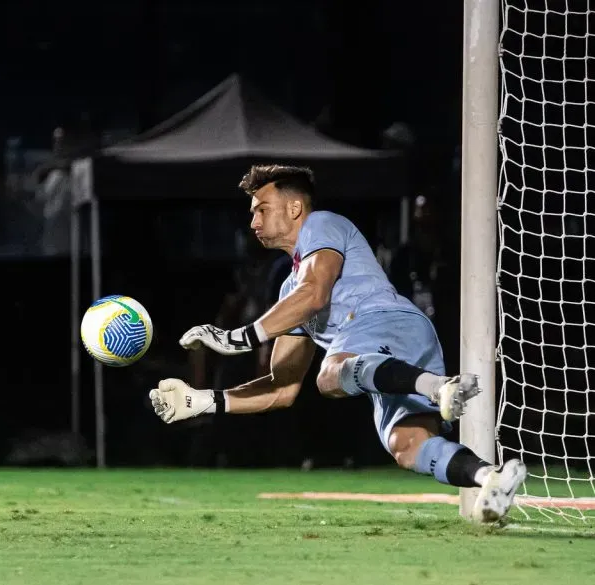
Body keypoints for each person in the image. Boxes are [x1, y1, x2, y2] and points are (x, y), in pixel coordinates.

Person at [149, 165, 527, 523]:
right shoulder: (288, 291)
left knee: (328, 376)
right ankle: (491, 478)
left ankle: (437, 386)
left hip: (384, 323)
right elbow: (281, 388)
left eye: (262, 209)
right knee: (407, 446)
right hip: (389, 360)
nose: (254, 222)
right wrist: (202, 401)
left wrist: (237, 338)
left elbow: (315, 293)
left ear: (294, 207)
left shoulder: (321, 224)